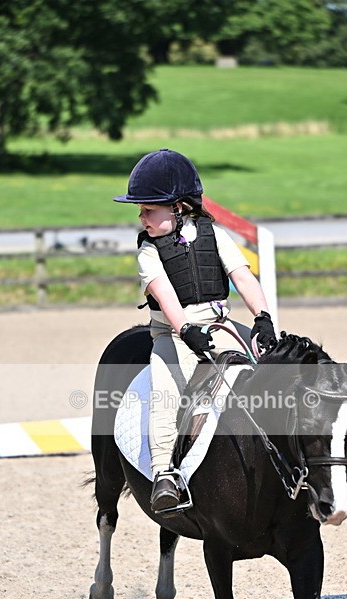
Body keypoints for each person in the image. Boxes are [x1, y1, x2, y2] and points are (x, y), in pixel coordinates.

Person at [114, 148, 276, 512]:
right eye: (140, 211)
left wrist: (263, 318)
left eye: (147, 210)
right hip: (173, 334)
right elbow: (164, 295)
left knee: (271, 368)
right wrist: (185, 329)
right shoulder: (147, 251)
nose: (142, 218)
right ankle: (163, 474)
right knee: (166, 393)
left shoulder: (213, 234)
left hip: (220, 324)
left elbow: (242, 276)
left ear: (178, 207)